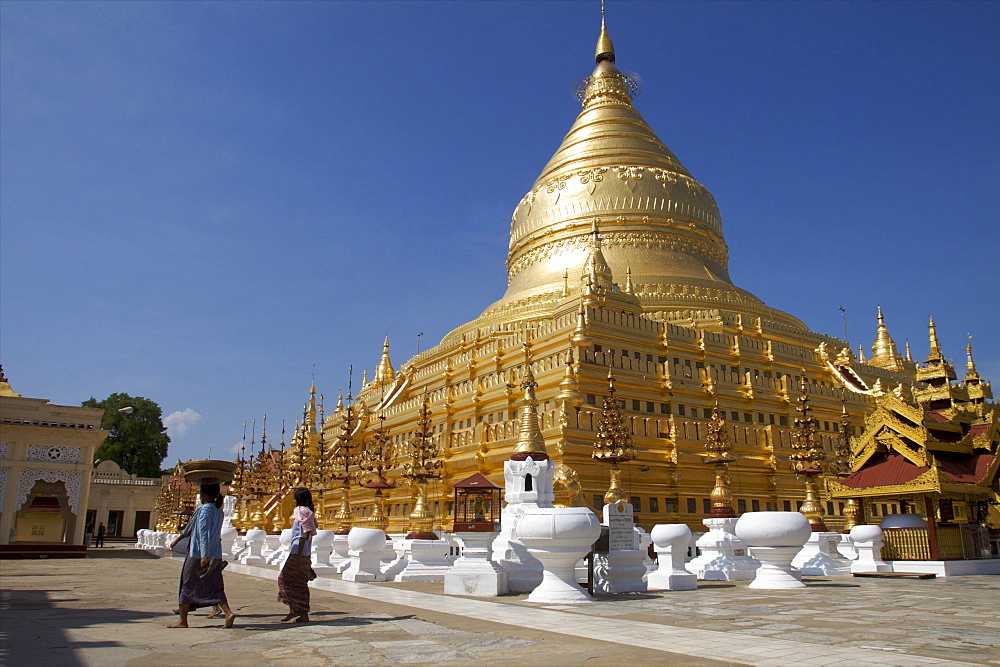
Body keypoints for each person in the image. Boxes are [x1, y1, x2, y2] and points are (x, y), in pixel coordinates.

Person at [168, 483, 236, 628]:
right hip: (215, 552)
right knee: (215, 584)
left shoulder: (205, 510)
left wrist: (204, 556)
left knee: (187, 583)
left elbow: (203, 534)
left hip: (199, 553)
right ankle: (228, 612)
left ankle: (183, 620)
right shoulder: (219, 510)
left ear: (204, 495)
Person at [277, 487, 317, 623]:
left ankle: (296, 610)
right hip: (305, 554)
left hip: (298, 553)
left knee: (284, 579)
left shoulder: (300, 512)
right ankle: (300, 612)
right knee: (300, 582)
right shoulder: (309, 512)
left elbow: (301, 536)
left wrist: (298, 557)